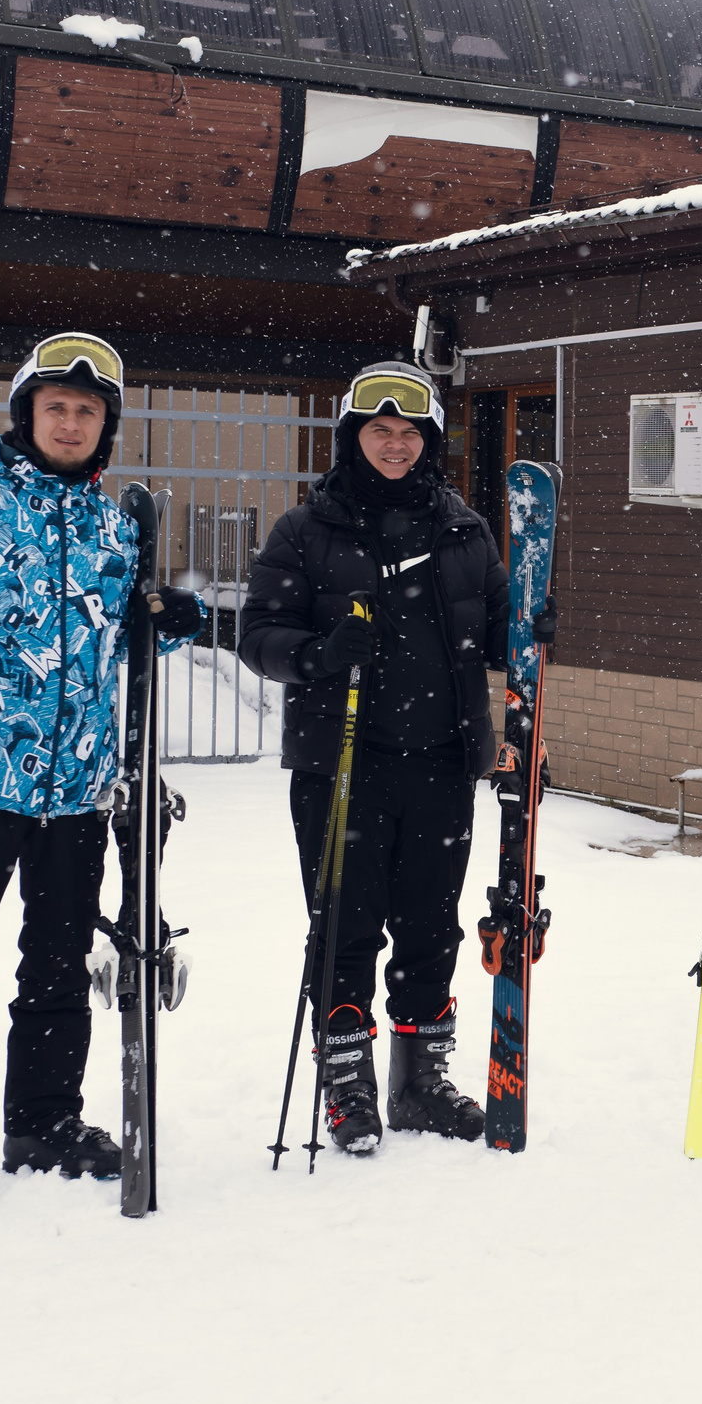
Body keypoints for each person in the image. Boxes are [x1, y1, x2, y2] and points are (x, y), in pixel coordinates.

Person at [0, 332, 207, 1215]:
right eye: (56, 407)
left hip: (77, 792)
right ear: (26, 414)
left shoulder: (112, 526)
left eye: (87, 411)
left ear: (106, 426)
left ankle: (43, 1120)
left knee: (57, 970)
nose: (70, 422)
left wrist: (172, 616)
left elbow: (122, 629)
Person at [238, 363, 512, 1154]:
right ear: (353, 438)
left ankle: (420, 1080)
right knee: (345, 923)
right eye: (380, 431)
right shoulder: (306, 529)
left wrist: (530, 622)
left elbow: (496, 629)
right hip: (343, 759)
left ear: (427, 443)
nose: (395, 444)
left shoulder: (464, 529)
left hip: (441, 758)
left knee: (431, 925)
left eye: (409, 433)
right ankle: (348, 1079)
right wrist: (318, 653)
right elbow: (259, 633)